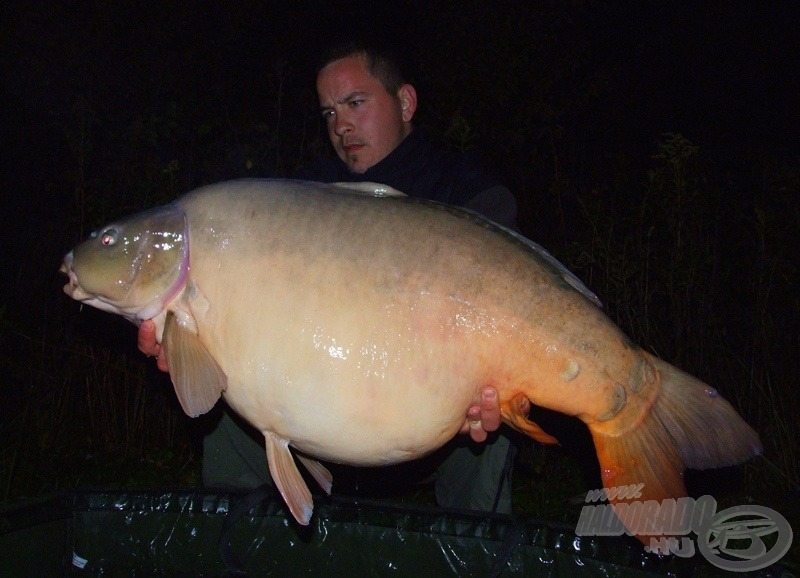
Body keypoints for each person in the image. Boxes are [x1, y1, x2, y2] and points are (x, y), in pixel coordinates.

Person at [138, 42, 518, 514]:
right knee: (224, 422)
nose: (340, 125)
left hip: (432, 435)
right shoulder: (301, 197)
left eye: (355, 103)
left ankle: (479, 556)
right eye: (328, 112)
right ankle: (244, 553)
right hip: (314, 429)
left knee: (497, 432)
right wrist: (189, 342)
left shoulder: (467, 191)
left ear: (404, 103)